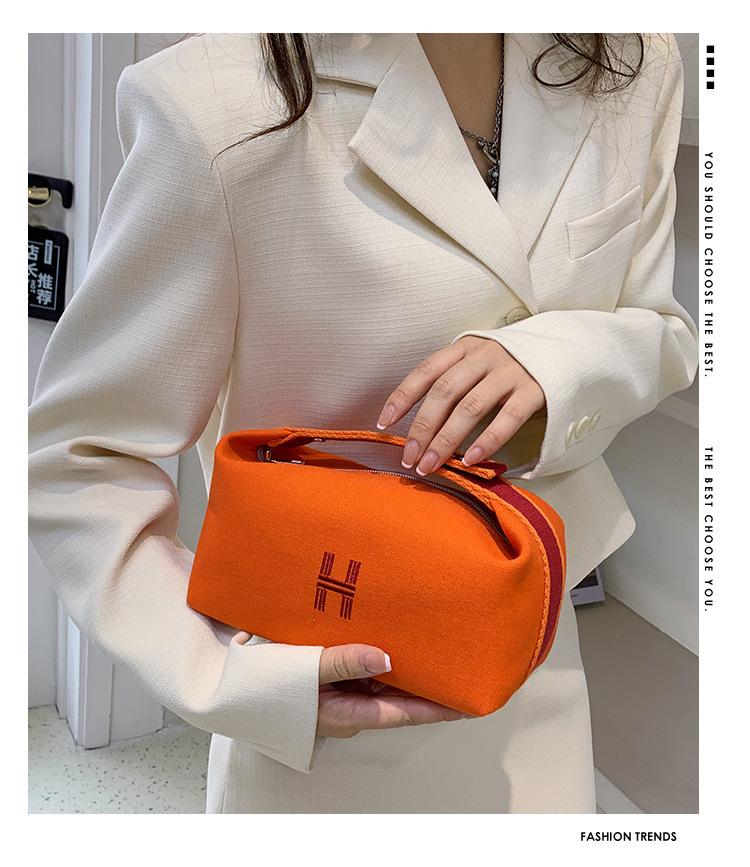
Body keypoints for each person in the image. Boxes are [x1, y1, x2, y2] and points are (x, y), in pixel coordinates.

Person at [28, 32, 698, 813]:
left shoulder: (633, 62)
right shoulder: (212, 104)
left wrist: (559, 362)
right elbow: (78, 461)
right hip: (335, 702)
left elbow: (660, 326)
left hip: (539, 671)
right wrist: (236, 677)